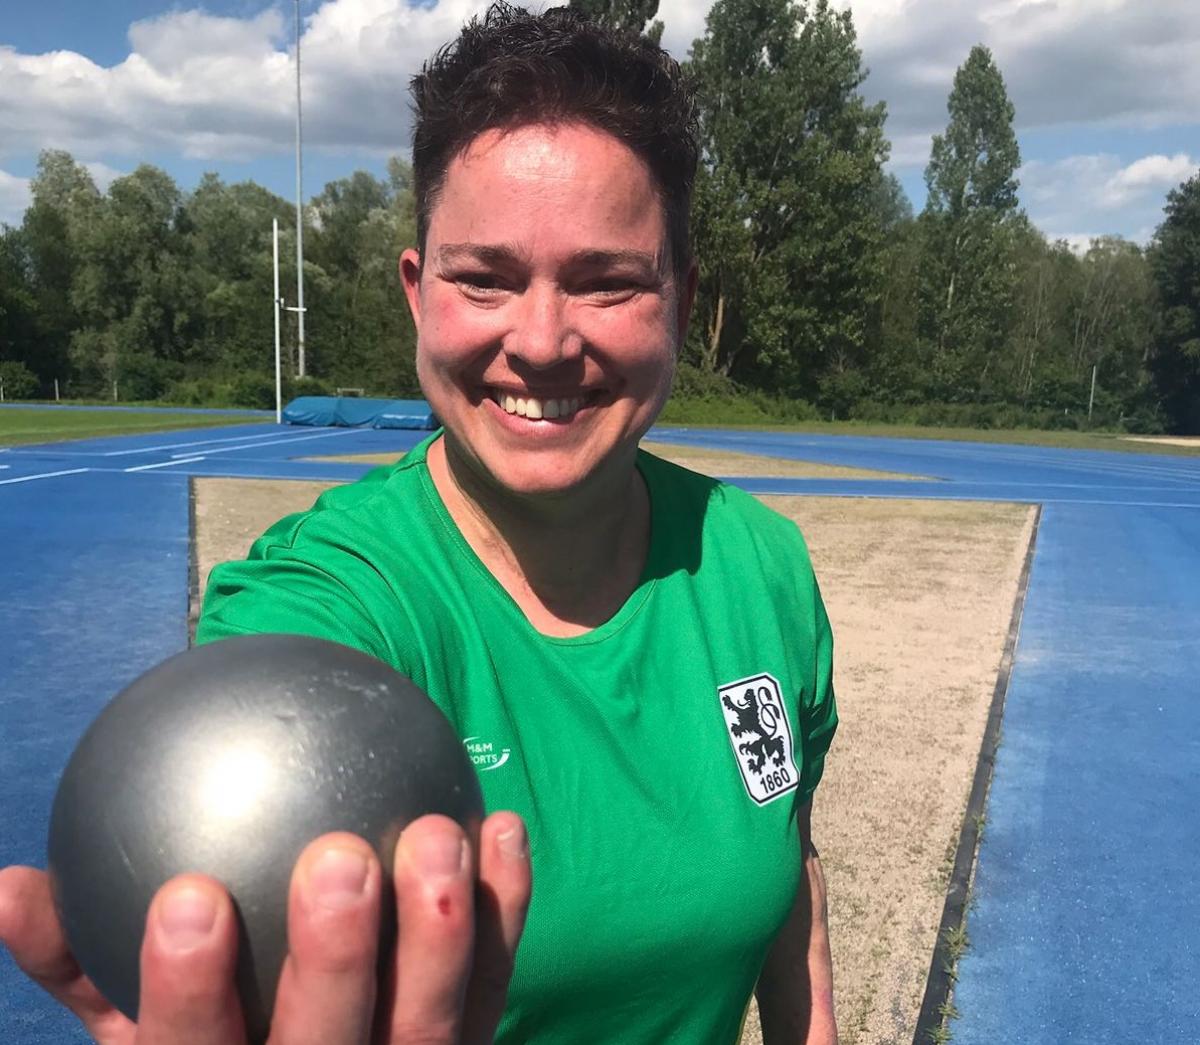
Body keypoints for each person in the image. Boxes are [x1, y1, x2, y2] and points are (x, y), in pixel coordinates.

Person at [0, 4, 839, 1042]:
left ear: (679, 295)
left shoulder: (761, 567)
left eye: (607, 281)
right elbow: (265, 751)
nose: (540, 340)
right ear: (416, 290)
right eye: (483, 278)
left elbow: (787, 868)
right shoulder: (333, 606)